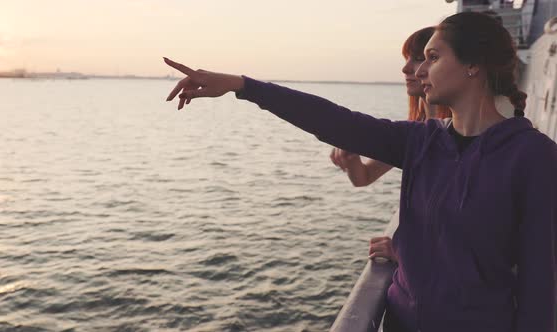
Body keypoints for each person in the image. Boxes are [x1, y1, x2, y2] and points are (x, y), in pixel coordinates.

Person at [164, 11, 556, 332]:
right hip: (399, 322)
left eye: (433, 58)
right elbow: (335, 120)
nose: (419, 70)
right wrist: (241, 85)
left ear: (473, 65)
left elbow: (540, 286)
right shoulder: (420, 141)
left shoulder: (534, 157)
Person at [329, 27, 452, 263]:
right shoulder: (418, 128)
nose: (406, 68)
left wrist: (407, 251)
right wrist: (352, 159)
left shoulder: (460, 134)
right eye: (408, 59)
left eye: (420, 59)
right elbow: (363, 177)